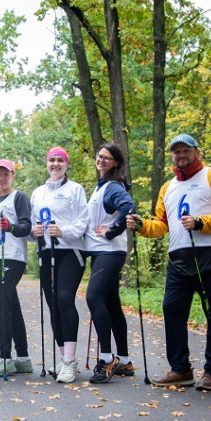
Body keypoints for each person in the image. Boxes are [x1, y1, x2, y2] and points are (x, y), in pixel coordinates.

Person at [128, 134, 211, 391]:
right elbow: (162, 225)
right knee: (172, 309)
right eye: (176, 152)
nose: (181, 155)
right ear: (171, 156)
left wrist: (202, 222)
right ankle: (181, 369)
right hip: (178, 258)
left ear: (196, 152)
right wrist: (143, 225)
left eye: (186, 151)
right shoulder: (167, 188)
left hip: (210, 255)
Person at [29, 146, 88, 383]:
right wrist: (34, 232)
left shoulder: (75, 189)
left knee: (64, 298)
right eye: (51, 160)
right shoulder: (38, 192)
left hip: (70, 252)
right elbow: (33, 226)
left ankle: (69, 361)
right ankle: (67, 360)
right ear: (47, 163)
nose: (55, 164)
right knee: (52, 303)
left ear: (66, 164)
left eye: (60, 160)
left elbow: (83, 221)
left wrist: (63, 231)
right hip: (46, 252)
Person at [84, 143, 135, 384]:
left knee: (93, 298)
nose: (101, 160)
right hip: (101, 252)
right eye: (99, 156)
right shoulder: (102, 186)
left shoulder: (113, 187)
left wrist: (112, 231)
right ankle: (124, 361)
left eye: (107, 158)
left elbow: (128, 207)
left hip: (109, 251)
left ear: (115, 162)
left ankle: (107, 359)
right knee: (112, 304)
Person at [0, 159, 33, 378]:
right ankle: (23, 359)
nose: (2, 178)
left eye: (6, 174)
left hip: (11, 257)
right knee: (11, 306)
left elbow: (26, 227)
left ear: (12, 176)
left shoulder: (18, 197)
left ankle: (5, 358)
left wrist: (11, 227)